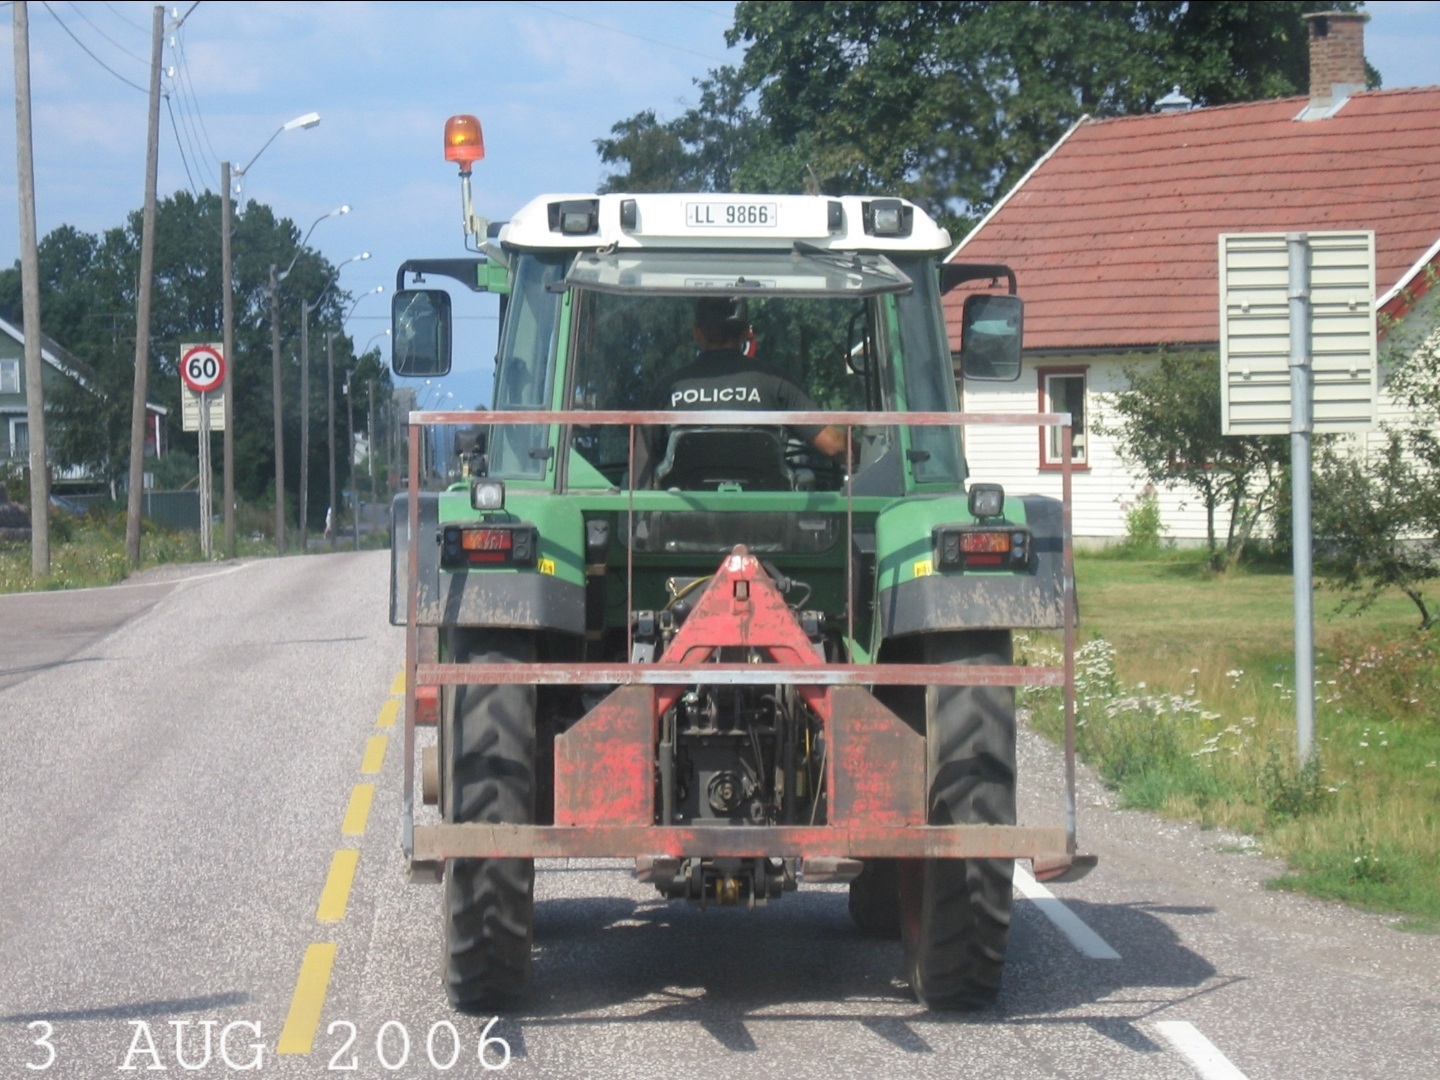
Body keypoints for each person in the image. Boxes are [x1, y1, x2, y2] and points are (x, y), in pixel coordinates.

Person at [653, 297, 848, 460]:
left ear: (697, 332)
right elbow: (834, 446)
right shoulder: (777, 382)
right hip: (767, 496)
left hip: (682, 496)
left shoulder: (667, 389)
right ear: (746, 332)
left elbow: (641, 462)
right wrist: (863, 452)